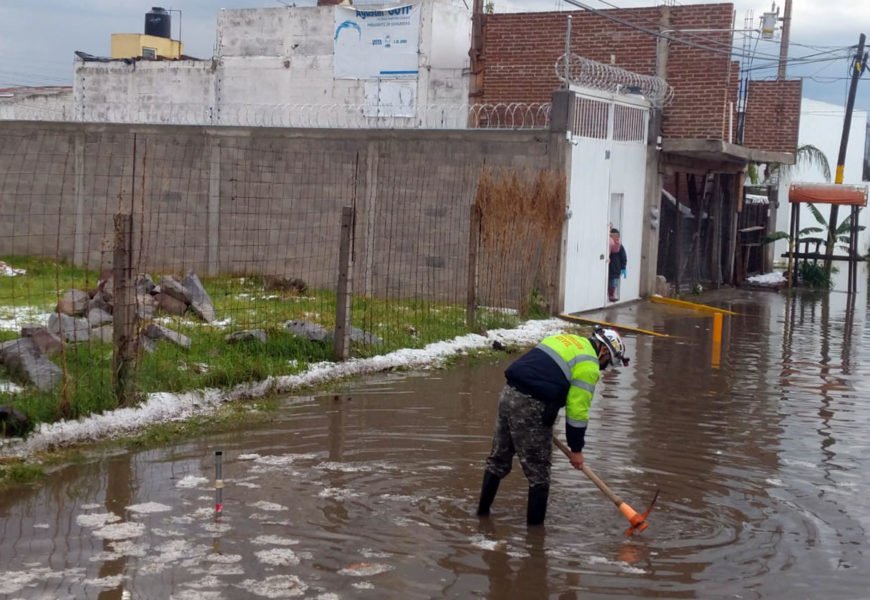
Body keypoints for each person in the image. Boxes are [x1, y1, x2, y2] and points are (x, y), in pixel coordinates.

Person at [476, 326, 629, 525]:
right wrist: (576, 449)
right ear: (604, 351)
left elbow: (544, 373)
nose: (603, 368)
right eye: (607, 363)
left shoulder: (566, 340)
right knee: (539, 474)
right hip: (530, 404)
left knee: (498, 460)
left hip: (508, 394)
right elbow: (577, 412)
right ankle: (535, 540)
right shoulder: (589, 365)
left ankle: (481, 515)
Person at [608, 228, 627, 302]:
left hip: (615, 268)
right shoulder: (609, 244)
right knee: (610, 283)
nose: (617, 238)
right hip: (610, 268)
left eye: (618, 236)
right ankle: (610, 295)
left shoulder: (619, 246)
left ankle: (611, 295)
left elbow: (623, 257)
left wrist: (623, 267)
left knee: (613, 283)